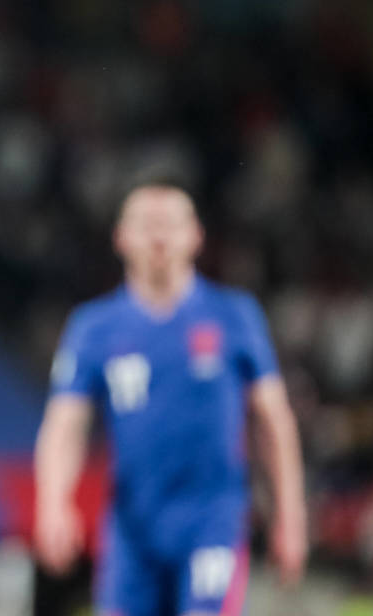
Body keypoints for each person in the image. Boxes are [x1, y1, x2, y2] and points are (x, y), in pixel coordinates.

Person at [33, 180, 307, 616]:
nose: (158, 236)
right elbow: (65, 424)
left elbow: (274, 421)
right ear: (120, 237)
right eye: (145, 224)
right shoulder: (93, 327)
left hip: (212, 520)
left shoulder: (234, 316)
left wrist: (290, 518)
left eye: (171, 224)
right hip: (132, 530)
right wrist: (52, 503)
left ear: (196, 235)